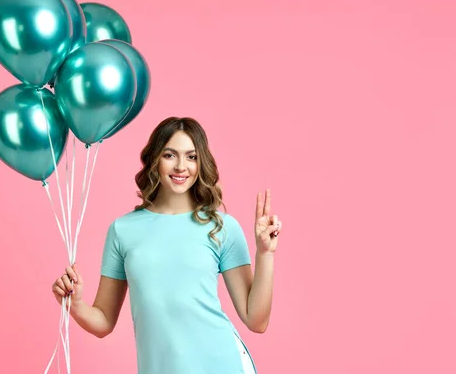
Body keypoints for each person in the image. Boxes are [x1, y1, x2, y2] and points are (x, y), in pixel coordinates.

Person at [52, 117, 284, 374]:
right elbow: (104, 321)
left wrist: (265, 254)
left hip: (222, 365)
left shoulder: (222, 227)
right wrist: (75, 304)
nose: (181, 166)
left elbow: (256, 320)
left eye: (192, 157)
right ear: (155, 160)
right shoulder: (123, 230)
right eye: (170, 155)